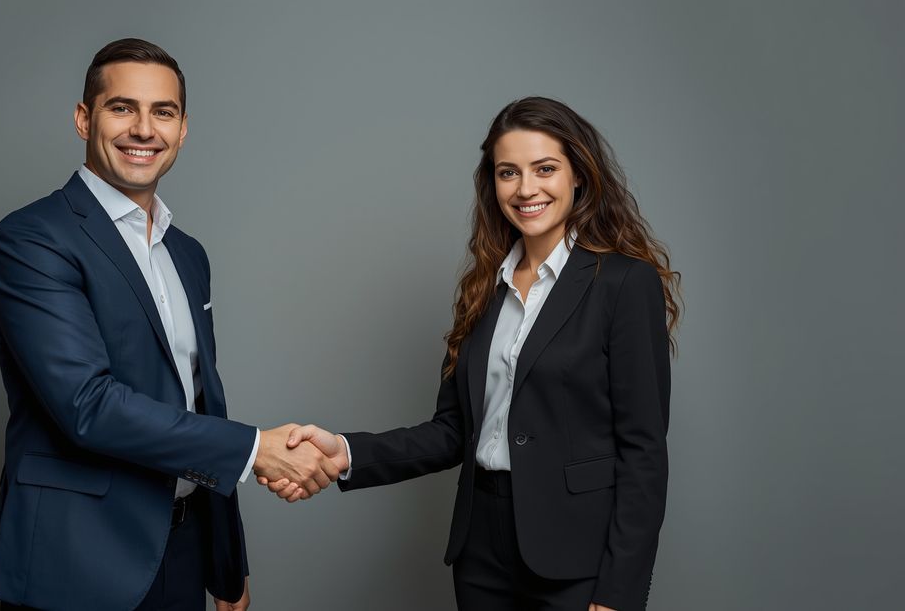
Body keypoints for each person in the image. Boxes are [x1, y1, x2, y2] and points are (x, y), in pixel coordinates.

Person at [261, 97, 680, 610]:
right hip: (482, 550)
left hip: (579, 557)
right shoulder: (486, 288)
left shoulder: (623, 283)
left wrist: (620, 591)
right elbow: (453, 431)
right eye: (509, 173)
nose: (526, 189)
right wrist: (343, 453)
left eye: (544, 169)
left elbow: (644, 452)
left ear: (579, 176)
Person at [0, 38, 345, 611]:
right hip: (76, 558)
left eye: (163, 112)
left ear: (182, 130)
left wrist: (228, 563)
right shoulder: (33, 238)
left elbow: (202, 405)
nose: (143, 129)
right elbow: (87, 405)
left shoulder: (187, 254)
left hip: (182, 552)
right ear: (84, 118)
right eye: (122, 108)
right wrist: (256, 451)